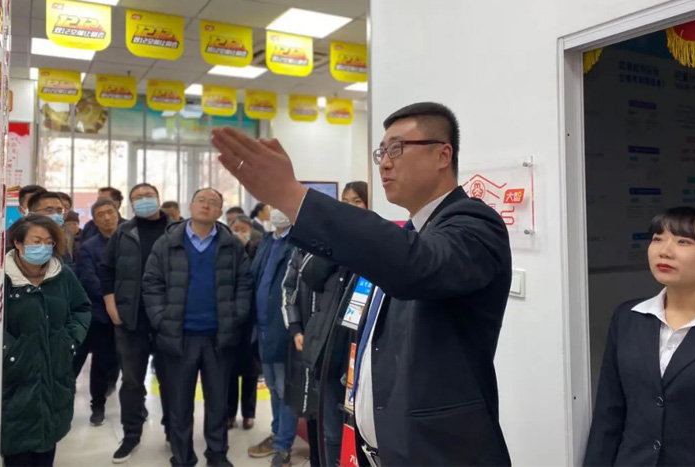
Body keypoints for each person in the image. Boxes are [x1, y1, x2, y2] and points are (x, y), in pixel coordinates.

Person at [212, 101, 513, 466]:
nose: (384, 163)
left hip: (441, 453)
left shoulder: (475, 224)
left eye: (397, 149)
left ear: (442, 155)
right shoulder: (412, 232)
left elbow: (417, 266)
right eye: (381, 152)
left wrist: (294, 197)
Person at [142, 188, 254, 467]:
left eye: (213, 202)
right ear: (190, 206)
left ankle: (217, 454)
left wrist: (235, 316)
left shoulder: (231, 245)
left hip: (219, 337)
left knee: (218, 402)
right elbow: (152, 283)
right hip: (179, 337)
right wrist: (161, 318)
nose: (206, 205)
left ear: (220, 212)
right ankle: (182, 457)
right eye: (201, 200)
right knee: (179, 404)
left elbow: (244, 284)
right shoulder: (167, 243)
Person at [584, 207, 695, 467]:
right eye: (658, 239)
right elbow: (609, 413)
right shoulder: (628, 317)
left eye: (683, 241)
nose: (664, 251)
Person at [282, 181, 369, 467]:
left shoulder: (378, 241)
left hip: (361, 348)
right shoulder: (333, 239)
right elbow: (310, 275)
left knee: (359, 430)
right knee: (330, 431)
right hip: (331, 348)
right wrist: (335, 242)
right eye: (345, 201)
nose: (349, 206)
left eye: (357, 201)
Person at [2, 214, 91, 467]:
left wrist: (69, 340)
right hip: (15, 378)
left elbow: (82, 308)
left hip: (55, 374)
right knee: (18, 449)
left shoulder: (61, 275)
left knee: (46, 443)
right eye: (36, 241)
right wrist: (12, 352)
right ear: (18, 242)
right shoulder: (2, 278)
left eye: (49, 242)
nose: (42, 247)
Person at [100, 183, 172, 463]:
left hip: (167, 318)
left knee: (171, 379)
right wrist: (111, 305)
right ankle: (131, 434)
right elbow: (107, 269)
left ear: (158, 198)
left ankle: (174, 432)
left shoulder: (176, 230)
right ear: (130, 204)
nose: (143, 200)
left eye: (148, 196)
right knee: (131, 381)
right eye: (137, 198)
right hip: (131, 318)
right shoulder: (124, 232)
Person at [247, 209, 298, 467]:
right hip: (262, 326)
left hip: (284, 327)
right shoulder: (268, 241)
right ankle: (278, 434)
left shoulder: (299, 241)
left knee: (285, 388)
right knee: (273, 387)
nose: (277, 210)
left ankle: (283, 446)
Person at [73, 199, 122, 427]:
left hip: (130, 312)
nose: (107, 218)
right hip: (101, 314)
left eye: (110, 212)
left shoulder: (130, 240)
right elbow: (89, 279)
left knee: (129, 362)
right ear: (94, 220)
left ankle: (136, 406)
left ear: (118, 213)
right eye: (101, 214)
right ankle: (98, 406)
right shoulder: (89, 248)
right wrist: (111, 300)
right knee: (101, 362)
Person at [226, 214, 264, 432]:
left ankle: (249, 414)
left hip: (251, 320)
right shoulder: (224, 252)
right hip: (229, 319)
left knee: (250, 370)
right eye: (236, 229)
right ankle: (229, 414)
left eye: (244, 229)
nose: (240, 233)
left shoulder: (257, 252)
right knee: (229, 372)